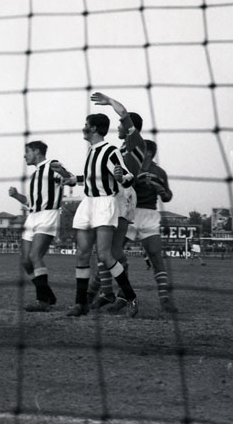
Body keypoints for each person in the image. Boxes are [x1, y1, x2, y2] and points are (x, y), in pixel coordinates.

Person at [65, 113, 139, 318]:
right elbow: (93, 177)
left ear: (94, 129)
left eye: (86, 125)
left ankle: (131, 297)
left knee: (105, 255)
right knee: (82, 254)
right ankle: (80, 304)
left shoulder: (110, 150)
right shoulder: (91, 151)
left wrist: (121, 177)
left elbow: (128, 176)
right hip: (87, 203)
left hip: (104, 204)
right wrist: (73, 179)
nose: (83, 128)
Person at [86, 92, 146, 314]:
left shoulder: (135, 141)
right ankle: (112, 293)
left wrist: (110, 101)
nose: (118, 127)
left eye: (121, 125)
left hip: (124, 195)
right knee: (109, 250)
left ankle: (116, 294)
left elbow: (123, 112)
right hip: (114, 195)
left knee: (109, 250)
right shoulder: (120, 148)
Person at [8, 141, 75, 312]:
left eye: (27, 152)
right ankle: (48, 294)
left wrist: (63, 171)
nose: (25, 156)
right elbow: (31, 202)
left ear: (37, 151)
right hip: (32, 217)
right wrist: (16, 196)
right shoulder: (35, 175)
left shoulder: (52, 166)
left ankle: (42, 301)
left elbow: (69, 180)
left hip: (48, 215)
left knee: (35, 255)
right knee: (25, 260)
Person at [128, 140, 178, 312]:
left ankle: (165, 300)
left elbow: (167, 196)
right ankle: (115, 295)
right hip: (130, 212)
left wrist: (160, 190)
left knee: (156, 256)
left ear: (148, 152)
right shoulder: (132, 167)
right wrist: (138, 181)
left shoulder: (159, 172)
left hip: (149, 215)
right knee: (114, 254)